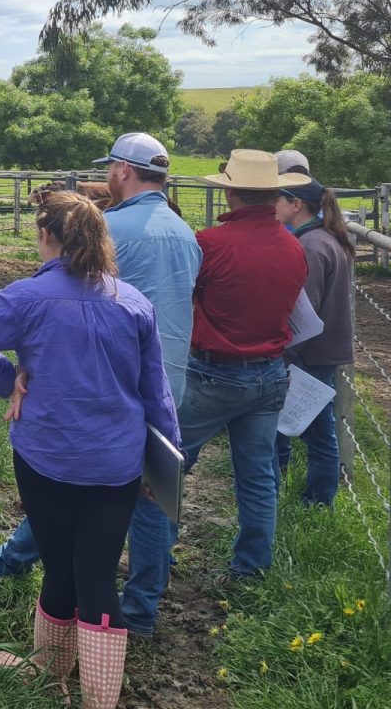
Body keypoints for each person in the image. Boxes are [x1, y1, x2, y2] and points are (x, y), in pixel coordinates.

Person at [0, 191, 178, 709]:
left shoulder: (23, 298)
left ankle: (49, 671)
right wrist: (164, 466)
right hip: (117, 462)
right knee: (97, 574)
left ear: (46, 235)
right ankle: (99, 696)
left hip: (45, 457)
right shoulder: (134, 302)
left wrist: (10, 378)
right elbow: (156, 394)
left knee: (59, 566)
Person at [0, 133, 200, 590]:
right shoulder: (187, 234)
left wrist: (15, 375)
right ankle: (141, 603)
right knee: (148, 497)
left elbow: (73, 311)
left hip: (86, 388)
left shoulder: (110, 231)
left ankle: (16, 571)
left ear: (122, 170)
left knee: (63, 489)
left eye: (109, 168)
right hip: (160, 381)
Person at [120, 148, 308, 635]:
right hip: (270, 375)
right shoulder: (293, 247)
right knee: (259, 476)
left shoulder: (213, 243)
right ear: (273, 193)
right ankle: (251, 568)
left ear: (230, 190)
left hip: (213, 373)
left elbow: (183, 298)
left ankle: (150, 583)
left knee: (161, 477)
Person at [274, 150, 356, 507]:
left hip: (309, 352)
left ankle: (316, 500)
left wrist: (284, 352)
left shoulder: (308, 246)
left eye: (278, 199)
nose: (273, 206)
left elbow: (301, 311)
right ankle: (312, 497)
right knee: (314, 429)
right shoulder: (327, 238)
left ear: (295, 205)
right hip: (324, 350)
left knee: (315, 431)